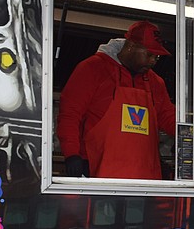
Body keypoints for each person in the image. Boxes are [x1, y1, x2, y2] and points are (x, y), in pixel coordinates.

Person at [57, 20, 177, 180]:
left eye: (156, 57)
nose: (153, 61)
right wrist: (71, 154)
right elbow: (70, 115)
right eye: (149, 55)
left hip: (145, 177)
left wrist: (189, 136)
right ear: (130, 47)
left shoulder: (156, 82)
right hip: (98, 173)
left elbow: (168, 117)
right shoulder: (92, 69)